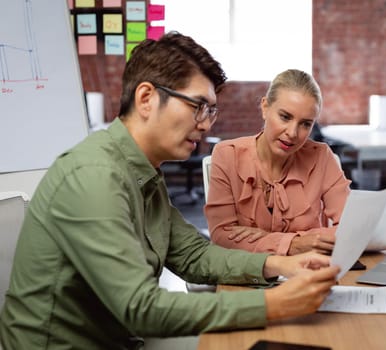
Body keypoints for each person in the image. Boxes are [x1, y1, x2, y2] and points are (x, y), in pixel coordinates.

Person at [0, 33, 340, 350]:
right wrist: (274, 303)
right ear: (147, 98)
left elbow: (194, 256)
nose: (207, 124)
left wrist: (282, 264)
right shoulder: (95, 176)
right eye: (197, 106)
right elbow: (141, 308)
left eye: (211, 110)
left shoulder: (142, 172)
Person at [204, 69, 351, 256]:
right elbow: (221, 236)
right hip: (251, 277)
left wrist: (265, 239)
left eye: (306, 123)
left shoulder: (322, 156)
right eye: (285, 117)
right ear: (265, 107)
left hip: (308, 272)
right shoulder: (227, 155)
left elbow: (350, 230)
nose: (292, 133)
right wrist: (297, 244)